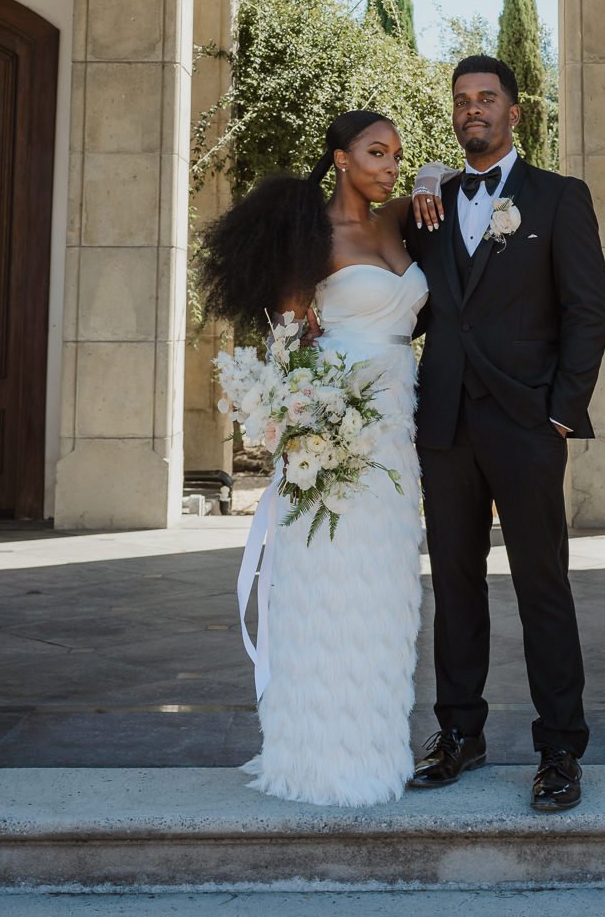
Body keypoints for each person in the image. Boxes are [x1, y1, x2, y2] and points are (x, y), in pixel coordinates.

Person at [198, 110, 442, 807]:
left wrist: (428, 173)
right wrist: (305, 428)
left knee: (387, 591)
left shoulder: (398, 218)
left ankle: (376, 748)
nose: (389, 165)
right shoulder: (312, 240)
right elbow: (286, 351)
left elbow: (454, 182)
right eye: (375, 152)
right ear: (339, 158)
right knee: (329, 590)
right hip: (335, 437)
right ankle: (320, 759)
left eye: (397, 154)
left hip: (395, 434)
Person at [405, 55, 605, 813]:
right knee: (454, 586)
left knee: (542, 587)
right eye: (461, 101)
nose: (472, 112)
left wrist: (563, 408)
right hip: (446, 425)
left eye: (487, 99)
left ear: (514, 113)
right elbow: (414, 303)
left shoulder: (557, 199)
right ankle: (460, 732)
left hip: (527, 424)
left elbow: (588, 309)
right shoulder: (432, 203)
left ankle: (560, 747)